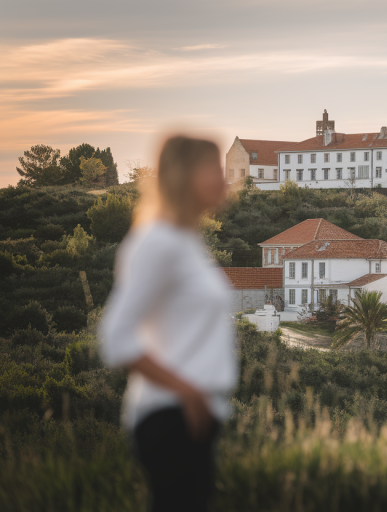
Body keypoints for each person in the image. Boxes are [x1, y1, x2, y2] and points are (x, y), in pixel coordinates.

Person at [99, 135, 237, 512]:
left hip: (190, 414)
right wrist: (188, 393)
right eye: (215, 171)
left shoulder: (186, 242)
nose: (226, 183)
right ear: (185, 176)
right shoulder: (156, 242)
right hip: (169, 414)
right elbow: (116, 336)